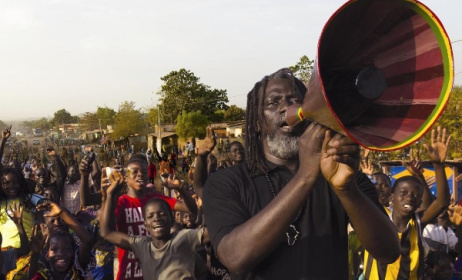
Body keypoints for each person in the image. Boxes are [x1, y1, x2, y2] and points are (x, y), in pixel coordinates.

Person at [202, 68, 400, 279]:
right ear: (257, 123)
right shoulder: (226, 182)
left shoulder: (340, 173)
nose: (286, 107)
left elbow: (389, 252)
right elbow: (235, 258)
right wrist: (305, 176)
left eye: (295, 99)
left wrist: (348, 190)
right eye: (273, 102)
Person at [363, 126, 452, 280]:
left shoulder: (417, 222)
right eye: (403, 193)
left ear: (420, 202)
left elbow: (442, 202)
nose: (410, 197)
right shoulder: (379, 217)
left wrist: (438, 165)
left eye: (416, 195)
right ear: (392, 196)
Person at [100, 170, 208, 280]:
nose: (157, 218)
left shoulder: (184, 238)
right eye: (150, 216)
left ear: (172, 219)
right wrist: (108, 196)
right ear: (145, 224)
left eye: (162, 214)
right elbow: (106, 232)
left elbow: (214, 231)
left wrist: (182, 187)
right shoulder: (142, 246)